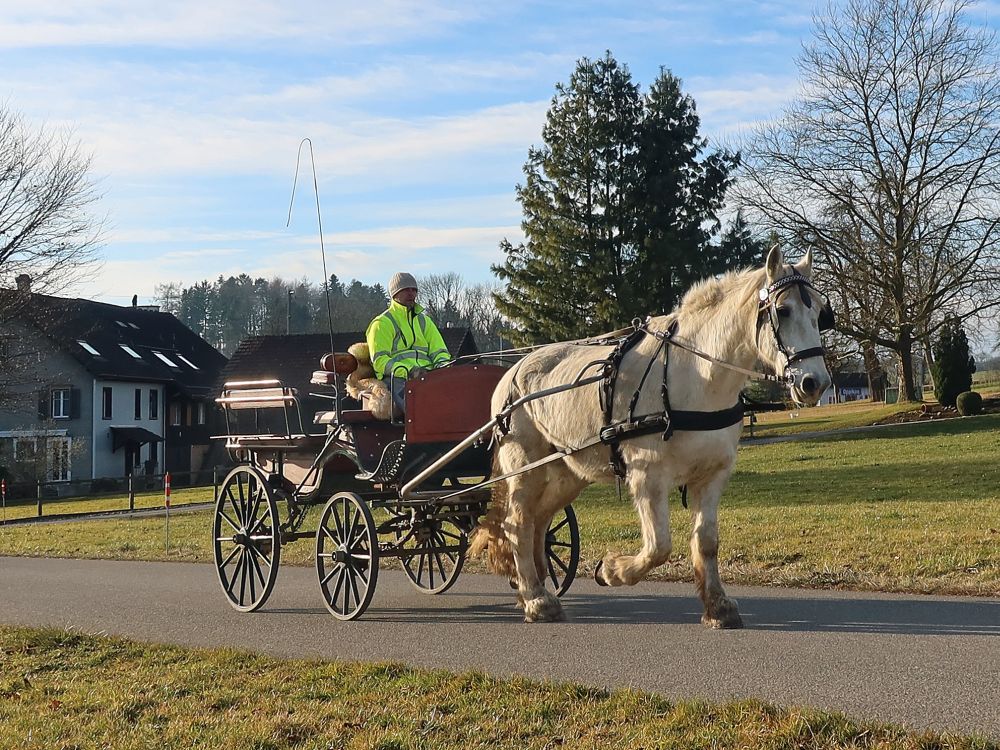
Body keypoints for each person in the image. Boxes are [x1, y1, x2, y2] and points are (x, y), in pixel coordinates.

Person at [366, 272, 452, 411]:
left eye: (414, 290)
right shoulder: (382, 323)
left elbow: (440, 351)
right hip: (397, 380)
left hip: (429, 376)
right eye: (406, 290)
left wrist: (443, 369)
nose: (411, 293)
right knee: (420, 409)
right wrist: (409, 371)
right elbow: (380, 361)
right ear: (394, 294)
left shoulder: (425, 321)